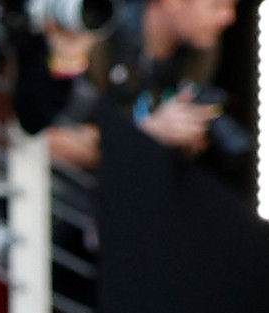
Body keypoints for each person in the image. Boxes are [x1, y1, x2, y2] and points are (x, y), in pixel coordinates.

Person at [43, 0, 247, 183]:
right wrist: (144, 136)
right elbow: (46, 140)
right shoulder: (99, 30)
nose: (229, 17)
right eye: (218, 6)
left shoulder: (201, 52)